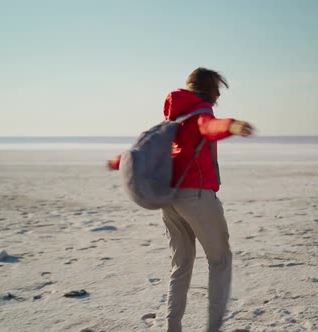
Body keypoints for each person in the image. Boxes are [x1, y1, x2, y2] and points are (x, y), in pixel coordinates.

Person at [107, 68, 254, 332]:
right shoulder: (200, 115)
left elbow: (142, 153)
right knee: (220, 260)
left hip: (170, 199)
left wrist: (116, 162)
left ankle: (171, 327)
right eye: (217, 87)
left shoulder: (172, 121)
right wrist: (232, 125)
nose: (219, 93)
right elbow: (210, 128)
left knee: (181, 264)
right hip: (197, 196)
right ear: (207, 88)